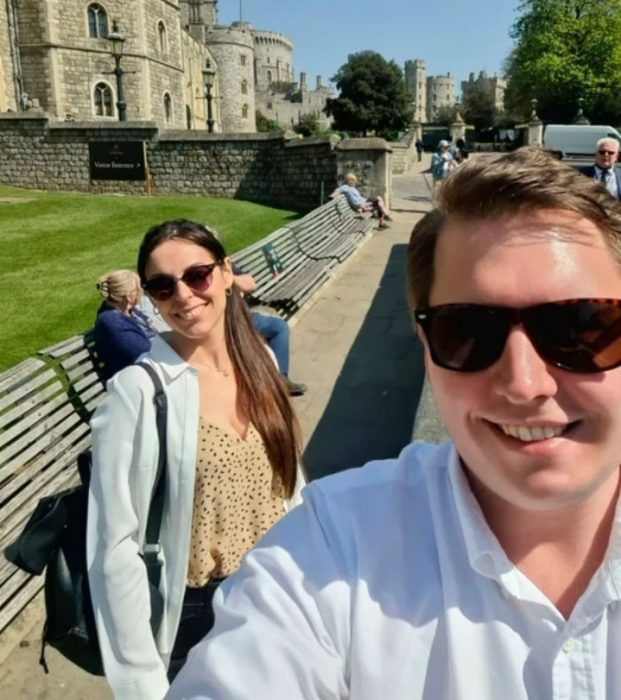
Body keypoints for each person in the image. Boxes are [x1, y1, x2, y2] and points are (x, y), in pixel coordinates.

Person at [168, 149, 621, 699]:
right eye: (467, 332)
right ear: (427, 350)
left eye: (580, 327)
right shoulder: (329, 550)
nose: (525, 383)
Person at [86, 219, 305, 699]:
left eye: (197, 275)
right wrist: (142, 684)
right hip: (200, 613)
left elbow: (292, 487)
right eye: (162, 286)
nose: (182, 295)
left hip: (279, 592)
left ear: (226, 273)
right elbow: (114, 548)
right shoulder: (137, 394)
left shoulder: (262, 363)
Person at [232, 264, 307, 396]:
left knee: (280, 327)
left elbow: (251, 284)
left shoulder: (224, 267)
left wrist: (227, 277)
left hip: (245, 316)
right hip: (231, 323)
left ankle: (281, 378)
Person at [93, 269, 155, 382]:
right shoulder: (112, 322)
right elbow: (146, 355)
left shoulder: (121, 311)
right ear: (130, 296)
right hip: (134, 382)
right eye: (139, 290)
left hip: (142, 375)